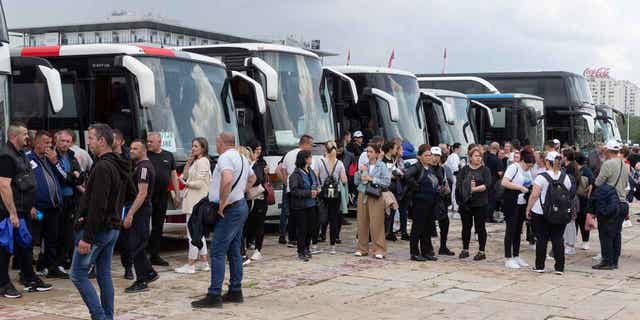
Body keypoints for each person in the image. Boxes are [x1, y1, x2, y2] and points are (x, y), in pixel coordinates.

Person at [70, 123, 133, 319]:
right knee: (103, 274)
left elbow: (98, 205)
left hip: (98, 230)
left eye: (90, 139)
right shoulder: (118, 164)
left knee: (78, 274)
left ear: (102, 141)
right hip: (112, 228)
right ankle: (108, 316)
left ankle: (100, 317)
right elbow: (130, 192)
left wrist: (87, 238)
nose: (88, 143)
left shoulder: (104, 166)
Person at [191, 132, 255, 309]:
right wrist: (240, 192)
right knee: (234, 250)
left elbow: (226, 179)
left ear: (221, 143)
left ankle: (214, 294)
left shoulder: (225, 157)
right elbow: (253, 178)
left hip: (229, 210)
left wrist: (222, 203)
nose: (216, 146)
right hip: (240, 206)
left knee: (218, 251)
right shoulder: (241, 157)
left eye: (217, 142)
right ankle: (235, 290)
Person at [0, 123, 52, 299]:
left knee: (25, 245)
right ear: (14, 136)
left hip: (23, 209)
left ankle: (29, 278)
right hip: (8, 212)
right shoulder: (6, 156)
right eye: (24, 134)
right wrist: (12, 213)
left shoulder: (21, 153)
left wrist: (30, 206)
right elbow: (4, 186)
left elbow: (25, 183)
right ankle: (3, 284)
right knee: (5, 248)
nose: (27, 137)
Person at [27, 131, 67, 279]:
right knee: (34, 237)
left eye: (50, 143)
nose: (49, 146)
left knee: (52, 237)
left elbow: (65, 178)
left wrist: (56, 162)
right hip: (37, 208)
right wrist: (30, 205)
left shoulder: (53, 159)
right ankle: (28, 270)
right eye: (46, 142)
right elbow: (22, 185)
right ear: (36, 143)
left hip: (53, 207)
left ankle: (50, 267)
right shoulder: (27, 159)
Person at [525, 151, 572, 275]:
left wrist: (528, 208)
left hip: (541, 212)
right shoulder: (565, 177)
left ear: (547, 161)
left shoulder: (541, 177)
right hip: (560, 212)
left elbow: (534, 195)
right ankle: (559, 267)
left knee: (542, 239)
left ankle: (540, 266)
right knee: (558, 238)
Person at [122, 140, 159, 293]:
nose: (131, 150)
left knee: (136, 245)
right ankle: (149, 272)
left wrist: (130, 214)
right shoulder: (138, 166)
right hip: (138, 208)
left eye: (135, 148)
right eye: (131, 148)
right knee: (135, 244)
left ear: (143, 151)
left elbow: (142, 193)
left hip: (140, 210)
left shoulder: (143, 168)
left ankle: (142, 280)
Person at [174, 138, 212, 274]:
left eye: (196, 146)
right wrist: (188, 164)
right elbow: (185, 175)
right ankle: (204, 262)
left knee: (193, 234)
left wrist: (185, 183)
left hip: (196, 202)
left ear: (203, 148)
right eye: (192, 146)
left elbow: (200, 182)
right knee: (198, 233)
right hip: (192, 201)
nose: (193, 148)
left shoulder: (203, 162)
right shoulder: (197, 161)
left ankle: (191, 264)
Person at [592, 140, 629, 270]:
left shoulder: (608, 164)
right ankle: (614, 261)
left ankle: (607, 260)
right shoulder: (624, 164)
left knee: (606, 234)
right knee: (616, 233)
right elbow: (625, 185)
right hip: (622, 203)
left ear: (607, 150)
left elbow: (598, 182)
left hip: (610, 203)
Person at [146, 132, 180, 266]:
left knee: (158, 226)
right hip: (147, 195)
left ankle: (155, 255)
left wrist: (177, 194)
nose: (148, 143)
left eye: (151, 142)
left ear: (159, 142)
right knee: (143, 225)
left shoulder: (168, 155)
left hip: (162, 196)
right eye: (147, 141)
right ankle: (140, 254)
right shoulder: (145, 155)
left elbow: (173, 175)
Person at [52, 130, 84, 272]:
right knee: (56, 232)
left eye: (68, 141)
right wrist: (73, 177)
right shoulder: (52, 156)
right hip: (57, 199)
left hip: (71, 199)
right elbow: (62, 177)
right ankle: (54, 263)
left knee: (68, 232)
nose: (65, 144)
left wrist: (74, 177)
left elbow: (80, 177)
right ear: (56, 141)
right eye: (62, 141)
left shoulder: (71, 156)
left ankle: (63, 260)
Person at [354, 143, 391, 259]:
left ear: (376, 153)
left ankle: (379, 249)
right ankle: (362, 248)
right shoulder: (364, 165)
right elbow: (356, 182)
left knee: (377, 223)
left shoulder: (382, 166)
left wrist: (372, 178)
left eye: (371, 151)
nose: (368, 154)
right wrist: (360, 173)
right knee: (362, 222)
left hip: (376, 195)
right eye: (367, 152)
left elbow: (386, 182)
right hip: (363, 194)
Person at [404, 145, 439, 261]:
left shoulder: (431, 168)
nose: (429, 157)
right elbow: (407, 176)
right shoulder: (417, 167)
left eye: (430, 155)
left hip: (430, 202)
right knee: (417, 228)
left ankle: (426, 251)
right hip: (419, 202)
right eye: (426, 155)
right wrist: (416, 187)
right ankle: (414, 252)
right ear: (419, 157)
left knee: (427, 228)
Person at [501, 150, 534, 269]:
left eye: (530, 167)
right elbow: (504, 182)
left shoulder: (528, 171)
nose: (528, 168)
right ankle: (508, 257)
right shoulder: (513, 168)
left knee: (518, 230)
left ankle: (516, 255)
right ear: (523, 161)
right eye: (527, 165)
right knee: (510, 229)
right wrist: (519, 188)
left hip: (522, 203)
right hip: (512, 201)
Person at [278, 134, 314, 246]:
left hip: (289, 187)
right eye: (311, 145)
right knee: (299, 214)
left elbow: (281, 170)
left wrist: (286, 183)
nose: (311, 148)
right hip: (301, 189)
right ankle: (298, 238)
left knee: (286, 212)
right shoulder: (303, 156)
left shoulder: (288, 154)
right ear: (306, 143)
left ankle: (284, 236)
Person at [457, 147, 491, 261]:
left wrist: (475, 189)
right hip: (466, 203)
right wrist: (460, 199)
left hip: (480, 203)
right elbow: (459, 185)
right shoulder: (464, 170)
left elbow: (487, 184)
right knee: (466, 227)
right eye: (476, 156)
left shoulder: (485, 170)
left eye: (480, 156)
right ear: (470, 157)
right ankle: (465, 249)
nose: (478, 158)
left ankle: (482, 251)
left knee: (480, 227)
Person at [314, 141, 347, 254]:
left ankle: (315, 245)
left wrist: (319, 186)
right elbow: (344, 180)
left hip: (322, 193)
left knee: (319, 218)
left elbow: (315, 175)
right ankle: (332, 247)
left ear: (325, 150)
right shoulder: (340, 163)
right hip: (335, 194)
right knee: (333, 219)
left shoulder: (320, 161)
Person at [290, 150, 321, 261]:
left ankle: (307, 248)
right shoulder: (296, 174)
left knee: (311, 228)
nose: (311, 159)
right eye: (310, 157)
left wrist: (317, 189)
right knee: (302, 229)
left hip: (312, 204)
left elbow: (316, 182)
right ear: (304, 159)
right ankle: (301, 250)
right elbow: (294, 191)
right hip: (301, 206)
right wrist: (308, 193)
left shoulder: (310, 171)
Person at [243, 141, 268, 261]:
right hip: (247, 198)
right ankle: (247, 245)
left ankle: (258, 249)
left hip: (259, 197)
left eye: (260, 149)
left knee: (259, 224)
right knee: (247, 224)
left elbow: (258, 179)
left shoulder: (261, 163)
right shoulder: (246, 162)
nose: (258, 152)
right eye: (255, 150)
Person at [431, 147, 454, 256]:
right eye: (433, 155)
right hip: (430, 199)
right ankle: (428, 248)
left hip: (440, 200)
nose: (435, 158)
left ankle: (443, 246)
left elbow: (445, 182)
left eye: (437, 156)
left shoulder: (442, 169)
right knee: (428, 225)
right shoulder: (426, 168)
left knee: (445, 223)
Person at [381, 141, 402, 242]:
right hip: (386, 189)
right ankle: (385, 231)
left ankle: (390, 231)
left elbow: (395, 170)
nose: (396, 150)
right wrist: (392, 176)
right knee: (386, 211)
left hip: (394, 188)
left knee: (393, 209)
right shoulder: (383, 160)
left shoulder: (393, 159)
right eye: (395, 148)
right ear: (390, 149)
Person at [575, 153, 594, 250]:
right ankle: (585, 241)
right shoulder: (588, 171)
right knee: (582, 221)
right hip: (584, 200)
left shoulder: (581, 171)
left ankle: (582, 241)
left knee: (579, 221)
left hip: (581, 199)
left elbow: (590, 186)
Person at [484, 142, 504, 223]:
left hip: (484, 181)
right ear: (497, 149)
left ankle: (484, 216)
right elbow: (500, 173)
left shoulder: (484, 157)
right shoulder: (497, 160)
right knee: (492, 200)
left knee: (485, 199)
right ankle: (489, 217)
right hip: (493, 182)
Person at [445, 143, 462, 212]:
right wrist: (460, 165)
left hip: (449, 176)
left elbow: (445, 165)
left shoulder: (450, 156)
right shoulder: (455, 156)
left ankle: (453, 204)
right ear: (457, 148)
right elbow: (455, 168)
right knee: (454, 191)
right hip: (455, 175)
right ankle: (455, 205)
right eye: (460, 148)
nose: (461, 150)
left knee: (453, 191)